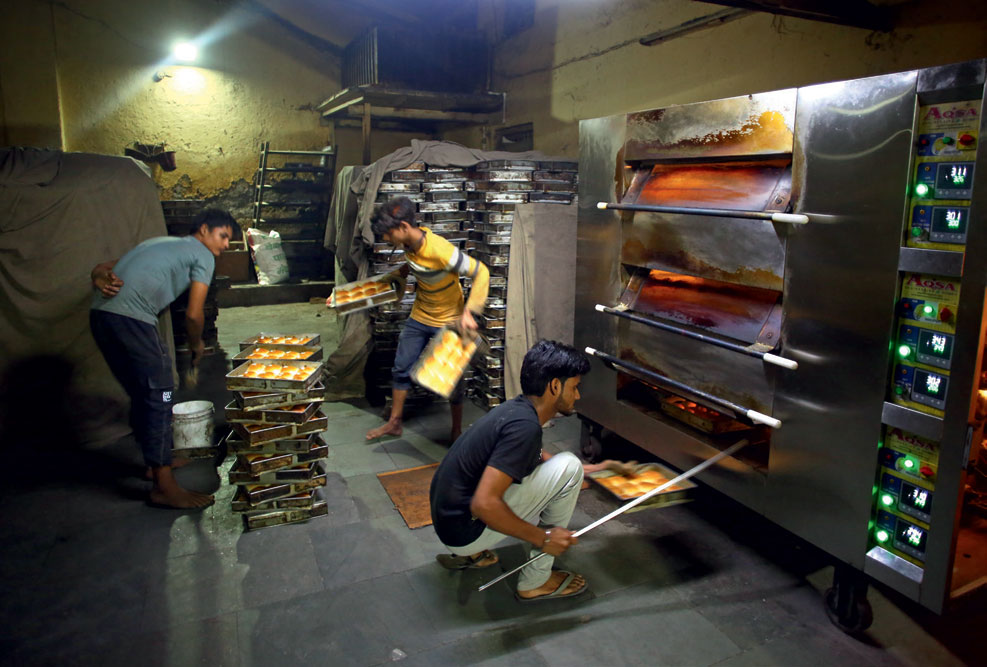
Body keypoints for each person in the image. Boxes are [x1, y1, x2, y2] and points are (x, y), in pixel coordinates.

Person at [430, 340, 617, 603]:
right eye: (574, 387)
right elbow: (484, 503)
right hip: (464, 531)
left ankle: (474, 555)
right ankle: (535, 582)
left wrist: (592, 470)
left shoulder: (516, 411)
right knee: (569, 466)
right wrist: (544, 538)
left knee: (571, 468)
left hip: (447, 521)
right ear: (554, 386)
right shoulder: (525, 428)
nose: (577, 396)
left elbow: (533, 456)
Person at [89, 208, 237, 509]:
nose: (224, 246)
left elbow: (102, 266)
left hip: (102, 317)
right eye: (223, 237)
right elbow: (195, 315)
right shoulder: (203, 255)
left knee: (142, 390)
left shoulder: (159, 243)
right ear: (205, 230)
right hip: (131, 319)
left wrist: (99, 277)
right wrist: (197, 345)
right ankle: (163, 484)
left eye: (229, 241)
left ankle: (155, 458)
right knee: (162, 389)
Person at [365, 196, 489, 443]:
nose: (386, 240)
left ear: (403, 228)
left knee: (452, 381)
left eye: (388, 234)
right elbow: (413, 267)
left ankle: (456, 431)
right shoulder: (408, 244)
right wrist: (351, 295)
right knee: (401, 368)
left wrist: (469, 311)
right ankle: (395, 423)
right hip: (420, 317)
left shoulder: (440, 250)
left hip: (449, 320)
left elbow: (481, 271)